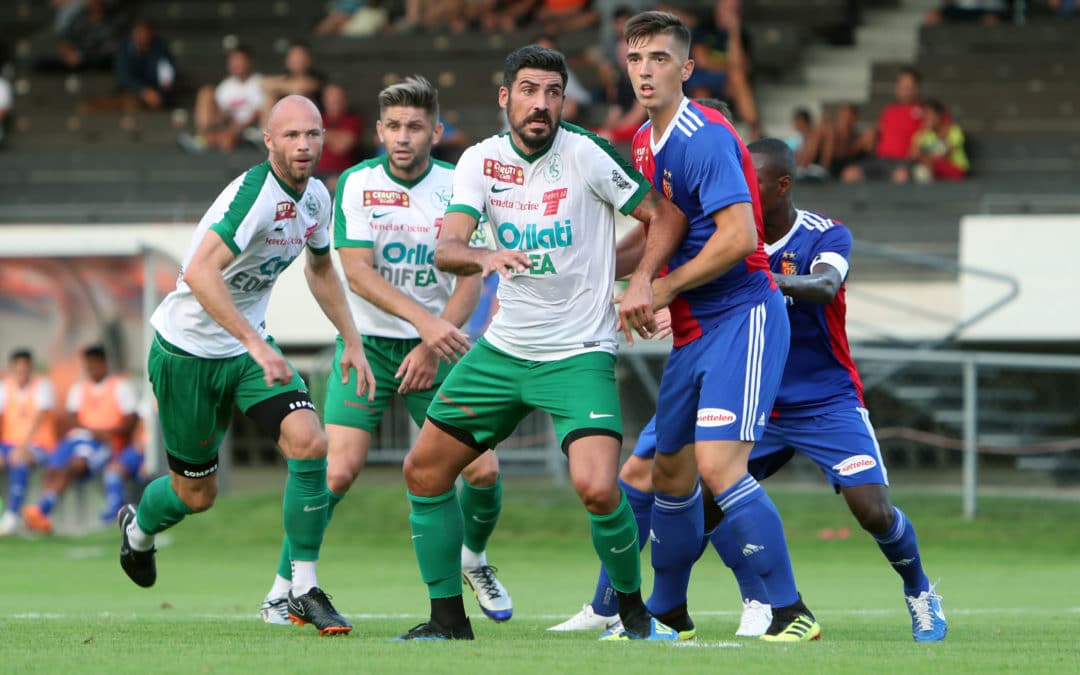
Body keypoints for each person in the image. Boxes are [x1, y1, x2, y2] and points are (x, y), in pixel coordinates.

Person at [395, 44, 687, 641]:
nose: (542, 104)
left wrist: (641, 284)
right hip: (502, 351)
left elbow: (667, 217)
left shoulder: (585, 153)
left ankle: (634, 617)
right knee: (424, 473)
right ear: (506, 97)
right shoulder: (479, 161)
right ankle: (447, 621)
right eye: (529, 90)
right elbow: (447, 248)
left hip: (578, 352)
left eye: (553, 92)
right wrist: (484, 254)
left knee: (599, 488)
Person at [115, 95, 376, 638]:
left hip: (248, 349)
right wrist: (255, 345)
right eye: (291, 136)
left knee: (311, 443)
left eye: (312, 134)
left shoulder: (316, 200)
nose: (303, 146)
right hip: (187, 353)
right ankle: (138, 529)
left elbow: (322, 269)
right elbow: (199, 272)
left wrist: (351, 339)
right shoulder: (255, 196)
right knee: (197, 495)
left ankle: (302, 589)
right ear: (268, 140)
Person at [259, 76, 514, 626]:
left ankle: (475, 558)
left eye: (415, 127)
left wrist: (431, 337)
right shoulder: (355, 183)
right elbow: (356, 272)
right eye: (394, 126)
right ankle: (284, 590)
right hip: (369, 347)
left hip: (440, 347)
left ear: (435, 132)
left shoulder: (458, 183)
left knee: (484, 473)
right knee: (335, 470)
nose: (403, 137)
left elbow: (472, 276)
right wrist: (422, 325)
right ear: (379, 131)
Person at [614, 10, 818, 642]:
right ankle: (668, 612)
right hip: (694, 329)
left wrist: (659, 287)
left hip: (743, 318)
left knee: (719, 466)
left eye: (659, 59)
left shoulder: (704, 135)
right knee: (664, 471)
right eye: (636, 59)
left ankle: (791, 612)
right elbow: (659, 230)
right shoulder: (645, 141)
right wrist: (591, 273)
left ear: (686, 67)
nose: (646, 71)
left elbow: (738, 237)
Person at [730, 137, 947, 642]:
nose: (741, 188)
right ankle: (760, 601)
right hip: (757, 400)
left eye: (752, 179)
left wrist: (764, 283)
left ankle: (920, 592)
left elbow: (824, 285)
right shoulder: (734, 235)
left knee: (871, 509)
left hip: (826, 400)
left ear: (782, 185)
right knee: (700, 502)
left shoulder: (825, 234)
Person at [22, 344, 138, 534]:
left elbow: (131, 419)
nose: (90, 370)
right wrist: (87, 428)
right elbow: (72, 416)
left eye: (93, 365)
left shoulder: (119, 386)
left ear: (104, 364)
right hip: (78, 438)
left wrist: (107, 432)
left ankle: (42, 511)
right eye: (87, 366)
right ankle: (41, 515)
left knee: (76, 464)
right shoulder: (80, 388)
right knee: (54, 465)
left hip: (104, 442)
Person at [0, 350, 58, 536]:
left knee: (20, 460)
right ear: (11, 369)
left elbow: (39, 419)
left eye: (26, 369)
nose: (22, 373)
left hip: (39, 445)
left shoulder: (42, 387)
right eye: (18, 369)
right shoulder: (5, 388)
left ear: (31, 368)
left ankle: (12, 516)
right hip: (9, 444)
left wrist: (23, 446)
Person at [177, 45, 265, 154]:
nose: (236, 64)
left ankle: (202, 142)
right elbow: (221, 113)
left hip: (250, 130)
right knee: (206, 93)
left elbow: (259, 113)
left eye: (240, 60)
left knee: (227, 140)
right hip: (229, 126)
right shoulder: (226, 86)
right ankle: (203, 137)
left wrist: (237, 127)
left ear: (249, 61)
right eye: (233, 60)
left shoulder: (259, 82)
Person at [842, 67, 923, 184]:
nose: (905, 91)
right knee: (850, 173)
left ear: (916, 89)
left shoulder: (924, 111)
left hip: (905, 162)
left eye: (908, 87)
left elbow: (933, 136)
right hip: (881, 160)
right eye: (902, 87)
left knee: (901, 176)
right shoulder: (888, 111)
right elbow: (878, 137)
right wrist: (870, 137)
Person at [903, 99, 969, 183]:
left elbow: (943, 153)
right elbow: (912, 155)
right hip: (932, 171)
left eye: (931, 114)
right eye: (925, 115)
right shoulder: (923, 134)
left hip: (956, 170)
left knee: (930, 164)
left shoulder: (954, 131)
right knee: (908, 171)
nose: (928, 118)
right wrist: (924, 132)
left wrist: (924, 154)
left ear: (939, 116)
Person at [312, 83, 362, 193]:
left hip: (340, 174)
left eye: (338, 97)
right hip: (311, 174)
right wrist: (335, 137)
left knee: (337, 185)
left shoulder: (353, 119)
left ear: (345, 99)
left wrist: (318, 135)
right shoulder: (315, 118)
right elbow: (308, 141)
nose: (335, 100)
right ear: (324, 100)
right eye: (331, 97)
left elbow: (343, 146)